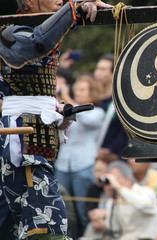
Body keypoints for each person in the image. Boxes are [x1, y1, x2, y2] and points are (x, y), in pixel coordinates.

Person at [0, 1, 111, 239]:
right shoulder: (8, 31)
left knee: (15, 228)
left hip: (31, 141)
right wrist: (74, 8)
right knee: (49, 225)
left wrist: (57, 111)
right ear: (29, 2)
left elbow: (25, 93)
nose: (59, 0)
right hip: (21, 146)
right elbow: (35, 44)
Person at [55, 74, 105, 236]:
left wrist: (68, 98)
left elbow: (88, 120)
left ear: (92, 92)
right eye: (76, 89)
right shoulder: (68, 107)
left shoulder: (98, 112)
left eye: (82, 90)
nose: (78, 92)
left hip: (84, 165)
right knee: (62, 211)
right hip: (63, 165)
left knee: (84, 212)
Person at [83, 161, 157, 240]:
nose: (113, 182)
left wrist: (119, 188)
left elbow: (143, 205)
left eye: (116, 178)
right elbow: (114, 228)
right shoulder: (115, 200)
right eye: (111, 179)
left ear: (128, 179)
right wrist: (100, 222)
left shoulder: (145, 192)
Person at [94, 54, 129, 163]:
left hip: (113, 157)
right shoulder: (92, 99)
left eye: (103, 69)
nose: (98, 73)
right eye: (97, 68)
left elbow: (124, 131)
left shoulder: (121, 100)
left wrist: (111, 150)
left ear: (113, 73)